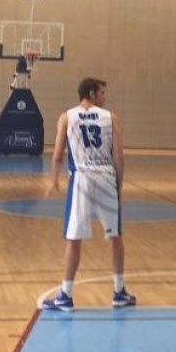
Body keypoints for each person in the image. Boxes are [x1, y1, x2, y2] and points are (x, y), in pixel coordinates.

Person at [41, 78, 135, 311]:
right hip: (105, 177)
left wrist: (54, 180)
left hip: (81, 178)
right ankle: (119, 291)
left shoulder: (67, 117)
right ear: (92, 93)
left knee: (74, 239)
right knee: (116, 236)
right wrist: (118, 186)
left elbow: (57, 154)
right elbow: (119, 156)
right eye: (102, 93)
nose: (104, 97)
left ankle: (66, 294)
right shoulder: (110, 117)